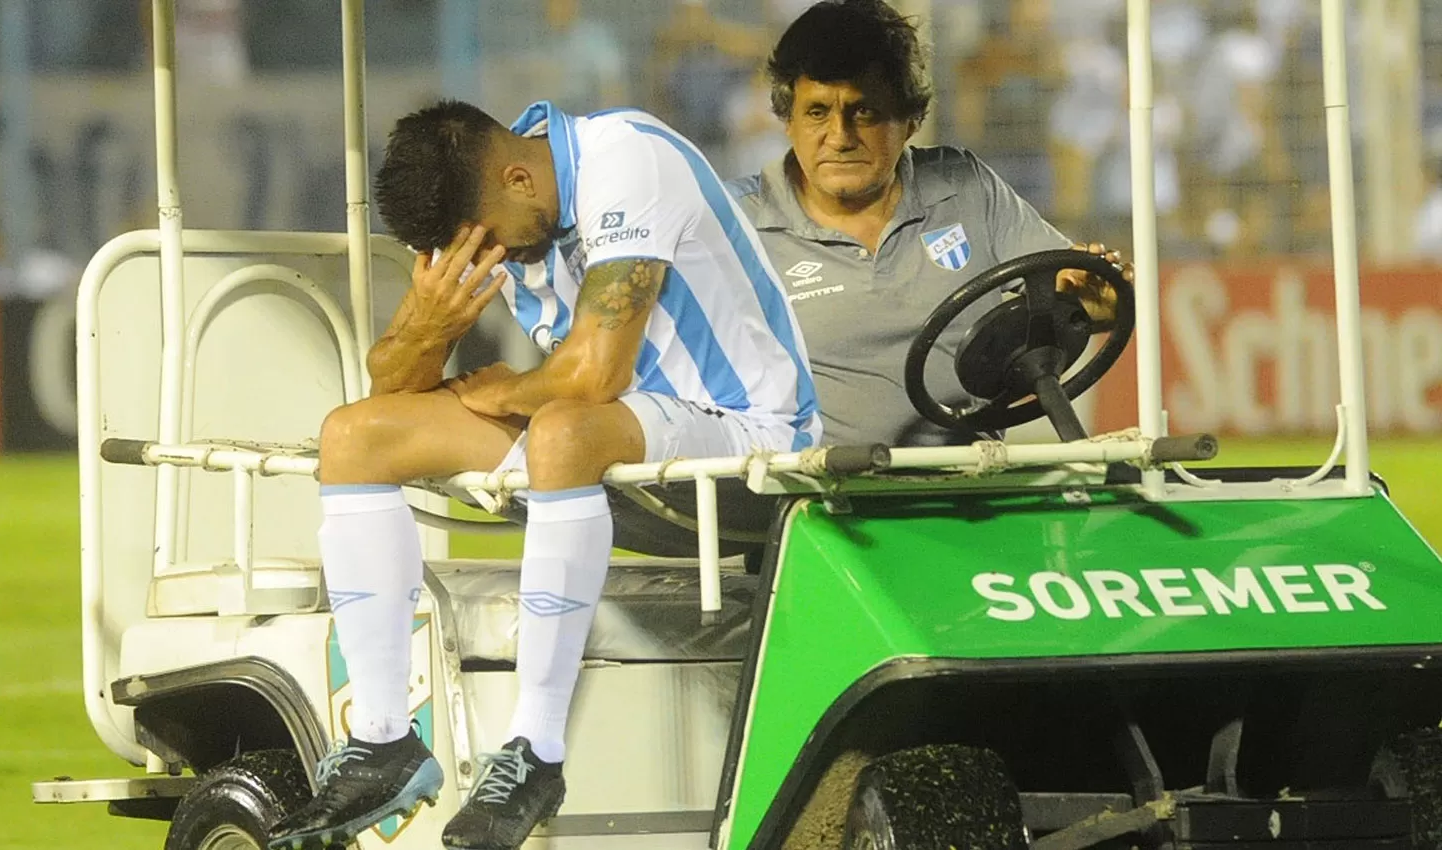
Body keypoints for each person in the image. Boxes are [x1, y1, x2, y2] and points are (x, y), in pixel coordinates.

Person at [267, 98, 819, 850]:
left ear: (521, 176)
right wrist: (427, 331)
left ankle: (536, 751)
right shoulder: (501, 206)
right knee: (353, 438)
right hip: (615, 444)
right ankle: (385, 740)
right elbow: (387, 384)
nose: (490, 258)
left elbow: (594, 372)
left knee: (560, 426)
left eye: (488, 240)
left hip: (747, 437)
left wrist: (504, 393)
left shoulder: (625, 159)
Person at [727, 0, 1131, 449]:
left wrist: (1096, 298)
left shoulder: (966, 186)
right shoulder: (735, 221)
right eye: (818, 112)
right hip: (816, 498)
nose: (839, 137)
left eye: (864, 112)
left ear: (911, 120)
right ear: (788, 121)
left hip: (967, 486)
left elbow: (1077, 297)